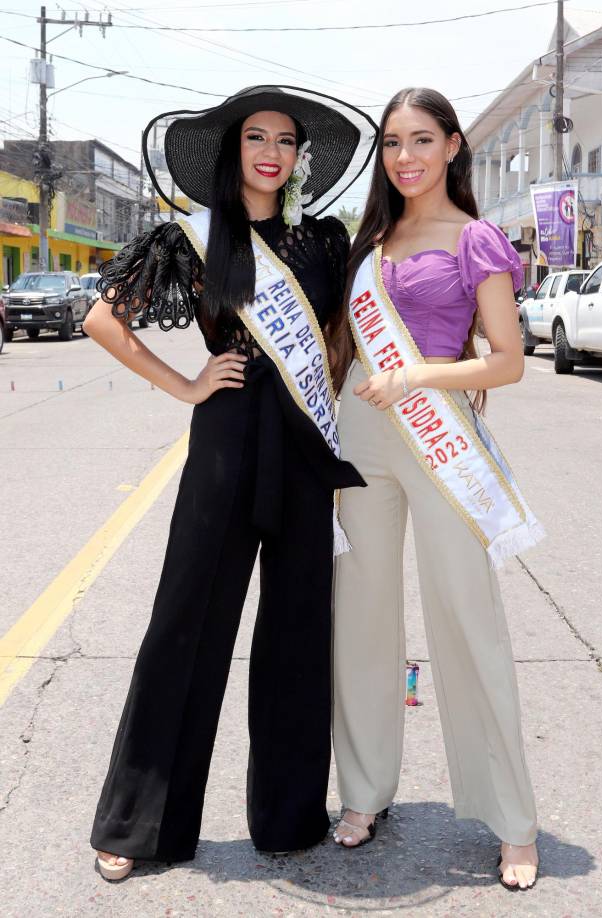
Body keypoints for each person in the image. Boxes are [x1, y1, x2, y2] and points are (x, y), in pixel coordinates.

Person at [84, 85, 377, 881]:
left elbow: (345, 335)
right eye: (256, 138)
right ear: (233, 150)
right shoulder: (192, 237)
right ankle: (139, 824)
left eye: (285, 141)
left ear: (298, 157)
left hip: (306, 451)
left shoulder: (321, 241)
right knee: (187, 624)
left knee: (296, 633)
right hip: (225, 442)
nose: (272, 153)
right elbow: (103, 320)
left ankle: (288, 820)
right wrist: (184, 386)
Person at [328, 87, 544, 891]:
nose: (406, 157)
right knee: (360, 614)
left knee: (466, 614)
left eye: (423, 140)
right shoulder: (373, 237)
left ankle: (512, 819)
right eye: (392, 143)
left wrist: (419, 373)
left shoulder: (474, 238)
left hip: (435, 431)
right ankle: (363, 790)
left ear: (454, 146)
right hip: (362, 436)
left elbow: (506, 359)